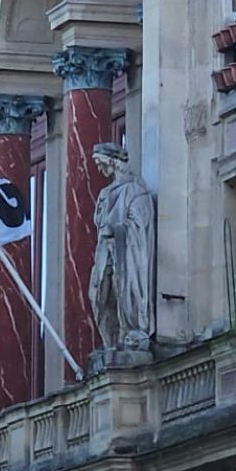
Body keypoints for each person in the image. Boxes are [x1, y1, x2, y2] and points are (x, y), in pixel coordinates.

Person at [88, 143, 154, 352]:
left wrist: (115, 229)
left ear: (112, 161)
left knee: (123, 288)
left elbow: (140, 224)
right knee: (98, 294)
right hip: (105, 251)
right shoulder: (106, 193)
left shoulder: (134, 190)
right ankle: (110, 340)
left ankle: (130, 332)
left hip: (124, 252)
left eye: (100, 162)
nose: (99, 169)